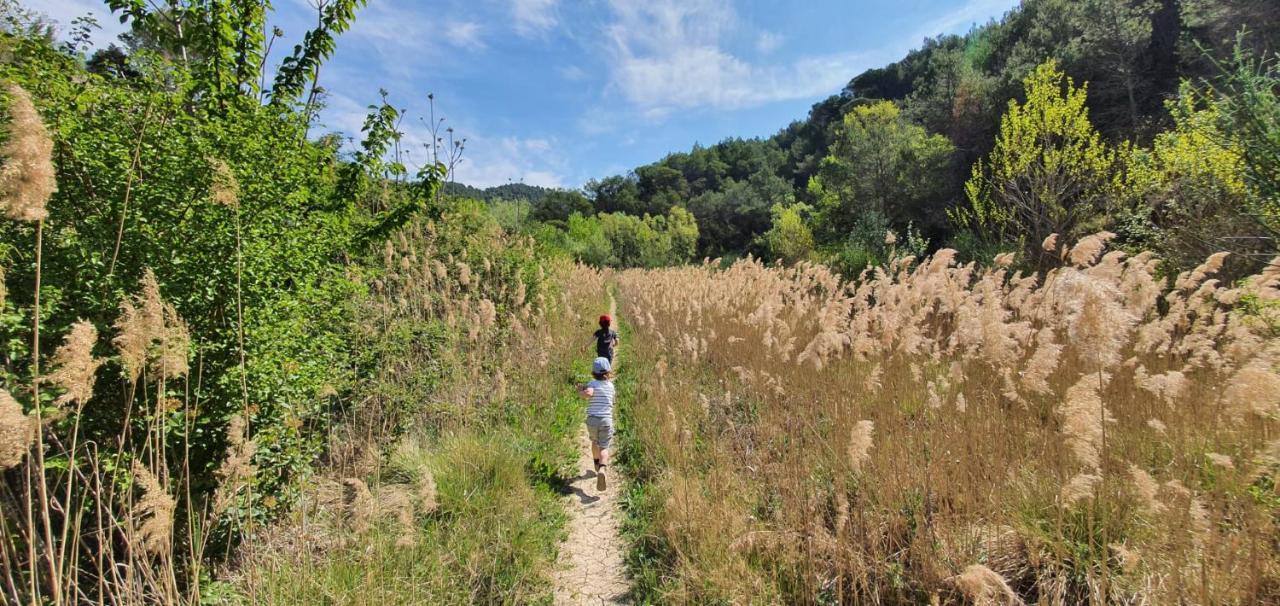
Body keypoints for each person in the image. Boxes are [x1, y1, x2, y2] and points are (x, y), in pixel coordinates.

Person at [578, 356, 615, 491]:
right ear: (608, 372)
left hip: (592, 420)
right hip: (606, 420)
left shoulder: (592, 384)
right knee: (604, 447)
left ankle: (595, 463)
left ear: (593, 373)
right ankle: (602, 468)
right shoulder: (611, 386)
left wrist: (581, 391)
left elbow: (588, 393)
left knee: (595, 441)